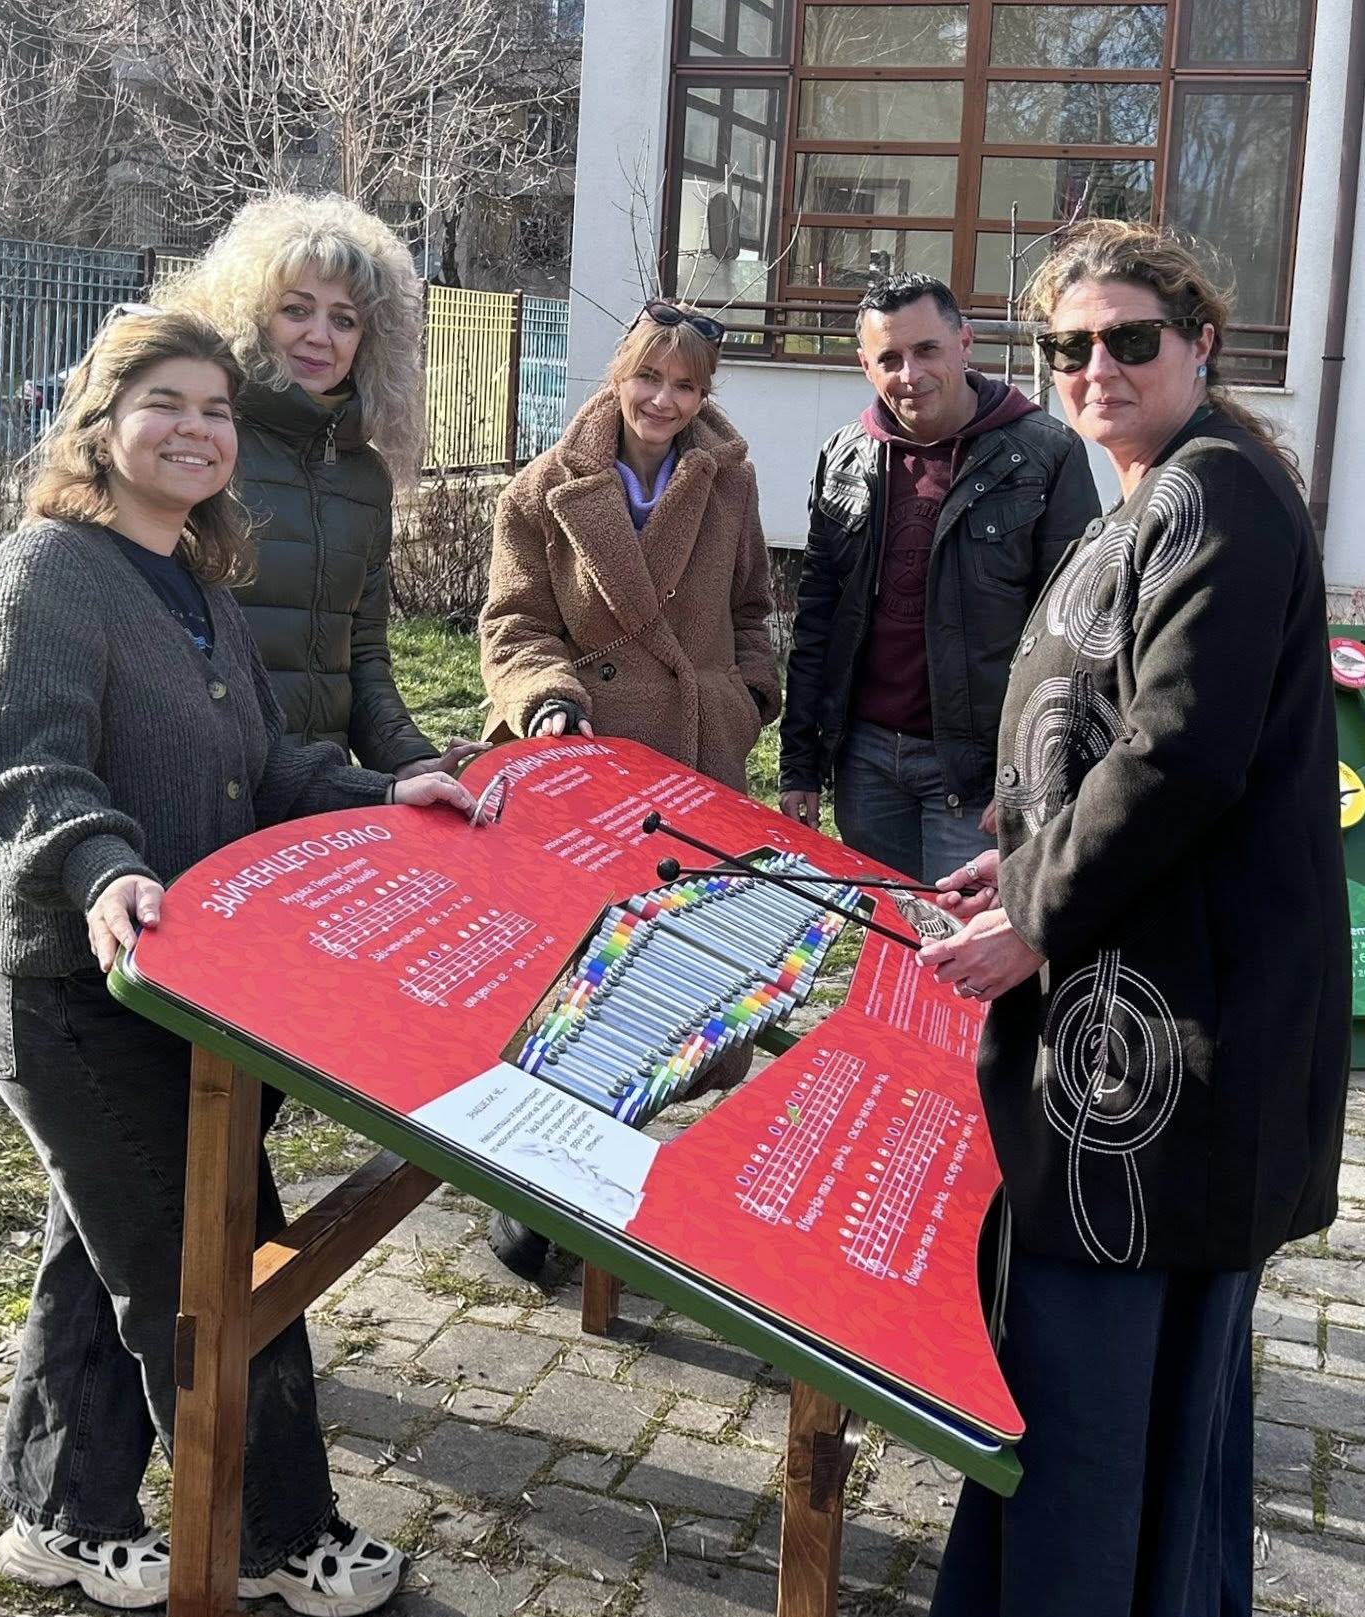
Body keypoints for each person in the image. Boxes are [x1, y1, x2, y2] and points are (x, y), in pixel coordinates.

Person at [900, 222, 1349, 1617]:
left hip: (1156, 1063)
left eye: (1129, 339)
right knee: (1161, 1410)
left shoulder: (1214, 494)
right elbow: (1100, 737)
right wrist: (1017, 850)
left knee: (1092, 1412)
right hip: (1149, 1027)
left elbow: (1176, 755)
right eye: (1068, 348)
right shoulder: (1169, 486)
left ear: (1199, 341)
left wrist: (1033, 916)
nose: (1094, 369)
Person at [0, 309, 478, 1617]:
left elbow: (265, 764)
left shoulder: (196, 581)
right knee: (212, 1264)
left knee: (106, 1248)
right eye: (166, 403)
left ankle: (57, 1517)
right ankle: (276, 1537)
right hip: (83, 994)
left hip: (190, 997)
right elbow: (29, 768)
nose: (196, 429)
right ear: (100, 425)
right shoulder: (44, 573)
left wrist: (384, 793)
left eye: (215, 410)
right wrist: (102, 866)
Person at [478, 298, 782, 1275]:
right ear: (618, 374)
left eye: (685, 385)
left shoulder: (728, 482)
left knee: (677, 986)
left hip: (695, 765)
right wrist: (548, 701)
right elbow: (515, 625)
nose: (663, 399)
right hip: (588, 770)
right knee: (575, 986)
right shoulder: (542, 489)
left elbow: (751, 608)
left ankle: (593, 1171)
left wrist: (745, 697)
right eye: (648, 376)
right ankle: (533, 1195)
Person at [778, 271, 1099, 880]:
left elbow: (1075, 634)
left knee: (960, 935)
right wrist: (800, 764)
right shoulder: (844, 456)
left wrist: (1036, 773)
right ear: (866, 366)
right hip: (866, 765)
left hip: (980, 774)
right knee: (887, 930)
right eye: (889, 358)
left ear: (964, 342)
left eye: (927, 349)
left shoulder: (1046, 454)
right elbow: (816, 617)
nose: (911, 374)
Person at [168, 192, 483, 782]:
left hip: (322, 793)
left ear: (370, 340)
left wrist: (411, 759)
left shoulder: (366, 478)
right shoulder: (206, 446)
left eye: (344, 319)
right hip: (213, 783)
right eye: (297, 309)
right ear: (252, 315)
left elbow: (362, 658)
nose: (320, 336)